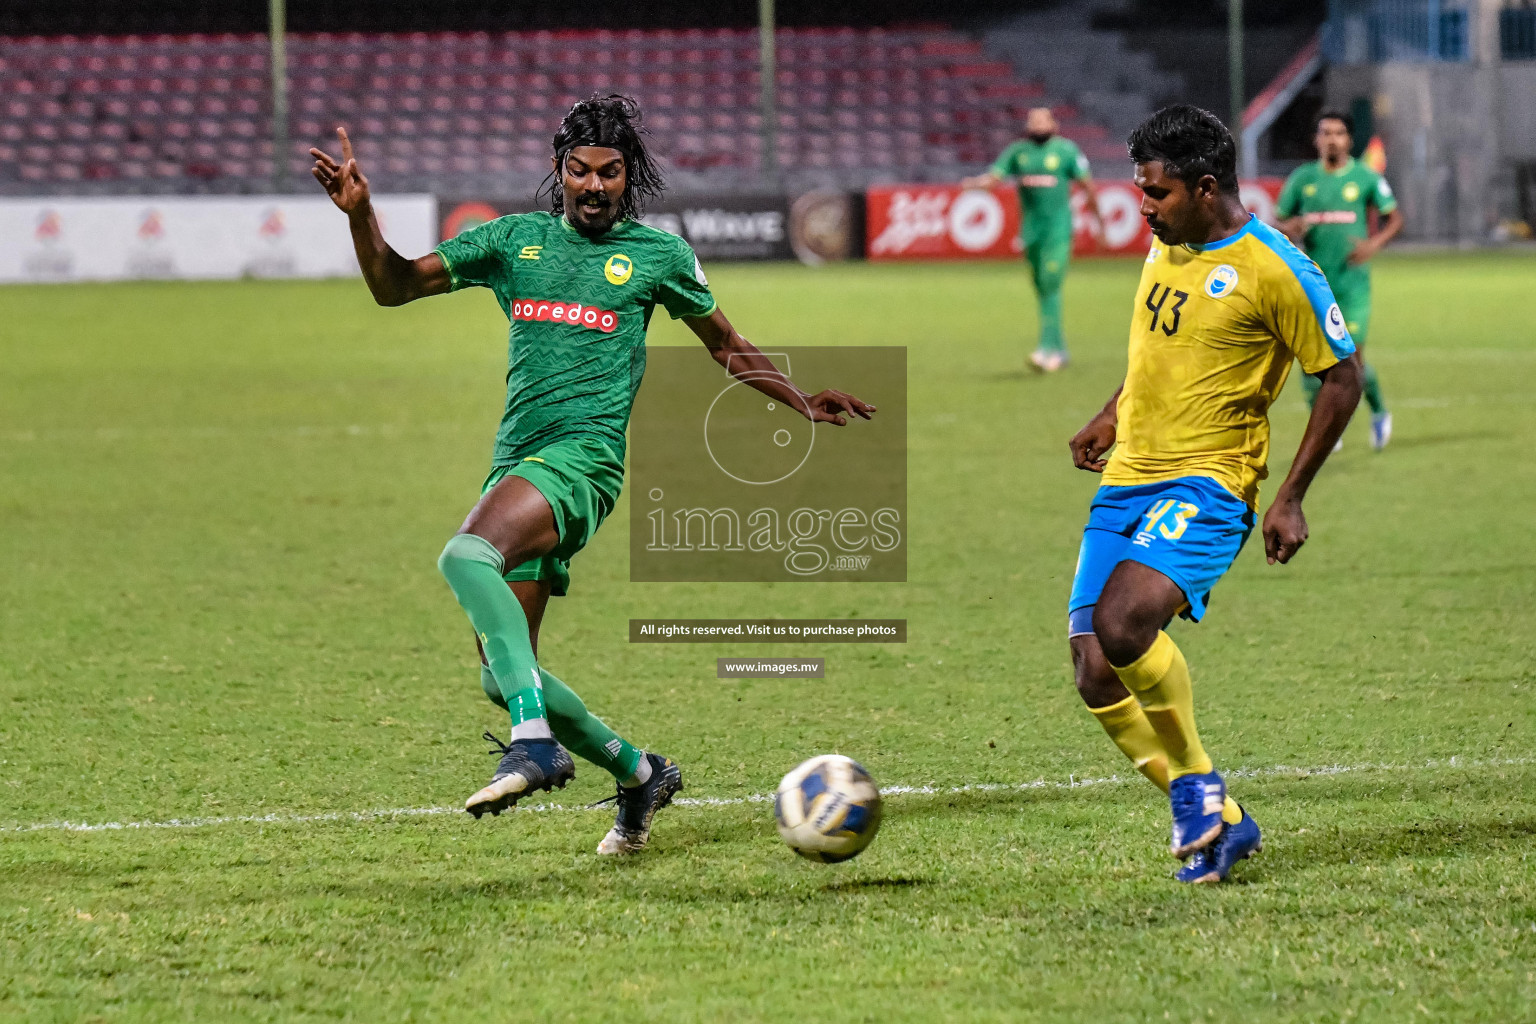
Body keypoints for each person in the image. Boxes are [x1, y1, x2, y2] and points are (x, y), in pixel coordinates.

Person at [309, 95, 874, 855]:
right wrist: (359, 216)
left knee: (463, 555)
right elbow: (396, 284)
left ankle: (536, 744)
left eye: (611, 172)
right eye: (581, 171)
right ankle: (640, 773)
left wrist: (797, 399)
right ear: (559, 172)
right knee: (505, 675)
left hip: (584, 463)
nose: (596, 185)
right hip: (518, 463)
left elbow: (725, 343)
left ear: (629, 176)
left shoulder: (656, 256)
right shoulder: (515, 242)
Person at [1065, 105, 1362, 883]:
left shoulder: (1277, 268)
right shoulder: (1170, 242)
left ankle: (1196, 781)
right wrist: (1111, 411)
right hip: (1131, 471)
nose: (1143, 207)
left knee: (1124, 621)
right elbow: (1157, 348)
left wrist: (1291, 494)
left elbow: (1342, 376)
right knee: (1094, 669)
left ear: (1205, 187)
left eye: (1156, 193)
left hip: (1210, 479)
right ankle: (1225, 824)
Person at [1276, 110, 1403, 450]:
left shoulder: (1364, 177)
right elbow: (1279, 222)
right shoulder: (1303, 179)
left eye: (1339, 133)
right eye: (1325, 132)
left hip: (1352, 286)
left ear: (1348, 140)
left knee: (1352, 359)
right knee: (1309, 363)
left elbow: (1394, 218)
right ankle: (1327, 430)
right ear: (1317, 139)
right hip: (1313, 285)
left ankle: (1377, 411)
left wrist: (1372, 244)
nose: (1332, 138)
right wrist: (1292, 228)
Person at [963, 106, 1105, 373]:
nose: (1038, 125)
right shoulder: (1018, 152)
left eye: (1043, 120)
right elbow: (994, 180)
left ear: (1054, 124)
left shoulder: (1067, 151)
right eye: (1034, 120)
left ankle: (1045, 350)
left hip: (1058, 231)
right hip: (1031, 232)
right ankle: (1060, 349)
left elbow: (1088, 187)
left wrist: (1100, 224)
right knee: (1042, 288)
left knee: (1050, 284)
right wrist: (973, 184)